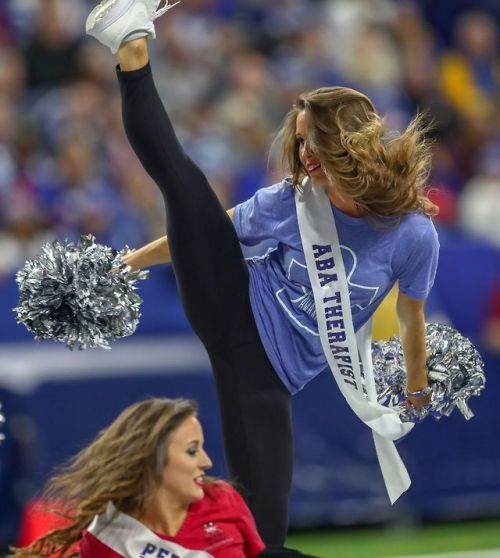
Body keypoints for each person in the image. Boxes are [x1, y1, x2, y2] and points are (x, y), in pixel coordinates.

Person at [83, 0, 439, 548]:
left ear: (351, 143)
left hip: (265, 379)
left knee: (263, 533)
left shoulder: (413, 236)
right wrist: (126, 263)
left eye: (313, 140)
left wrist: (417, 388)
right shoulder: (294, 200)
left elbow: (412, 318)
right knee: (183, 183)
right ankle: (131, 47)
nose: (303, 153)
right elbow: (206, 228)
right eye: (298, 140)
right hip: (232, 302)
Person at [9, 398, 266, 557]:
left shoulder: (223, 499)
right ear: (152, 460)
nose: (206, 462)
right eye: (191, 451)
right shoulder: (109, 536)